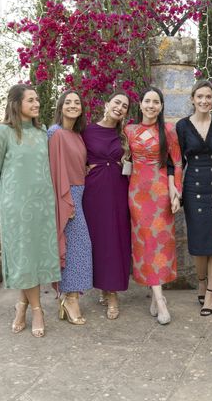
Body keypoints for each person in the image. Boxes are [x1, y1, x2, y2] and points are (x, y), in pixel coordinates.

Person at [0, 84, 60, 337]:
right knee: (23, 257)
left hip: (42, 204)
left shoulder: (42, 133)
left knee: (34, 258)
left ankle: (21, 306)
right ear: (16, 104)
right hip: (15, 206)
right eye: (31, 100)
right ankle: (38, 309)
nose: (36, 103)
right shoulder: (2, 132)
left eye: (38, 99)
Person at [125, 87, 182, 325]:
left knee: (159, 244)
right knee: (144, 242)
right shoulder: (129, 130)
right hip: (137, 193)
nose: (151, 105)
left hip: (159, 194)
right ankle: (158, 297)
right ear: (140, 105)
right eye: (147, 101)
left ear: (160, 106)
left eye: (155, 102)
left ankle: (158, 298)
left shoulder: (168, 130)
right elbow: (122, 158)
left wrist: (175, 191)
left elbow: (177, 163)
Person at [176, 80, 212, 316]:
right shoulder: (182, 126)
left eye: (209, 97)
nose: (204, 101)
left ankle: (211, 293)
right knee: (198, 245)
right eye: (200, 97)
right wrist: (175, 190)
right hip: (193, 189)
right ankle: (200, 280)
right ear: (192, 99)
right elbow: (177, 162)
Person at [82, 91, 132, 320]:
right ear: (106, 104)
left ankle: (112, 293)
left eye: (124, 106)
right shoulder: (88, 131)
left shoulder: (125, 134)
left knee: (115, 240)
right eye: (117, 102)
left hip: (119, 191)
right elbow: (76, 157)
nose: (120, 107)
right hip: (95, 192)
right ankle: (104, 287)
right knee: (100, 241)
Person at [47, 90, 93, 325]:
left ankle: (68, 297)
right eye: (68, 102)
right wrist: (66, 202)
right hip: (66, 194)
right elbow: (55, 170)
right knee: (77, 247)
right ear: (61, 106)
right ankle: (70, 298)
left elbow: (75, 163)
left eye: (77, 102)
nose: (73, 105)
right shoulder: (55, 133)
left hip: (80, 191)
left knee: (77, 247)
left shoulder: (77, 134)